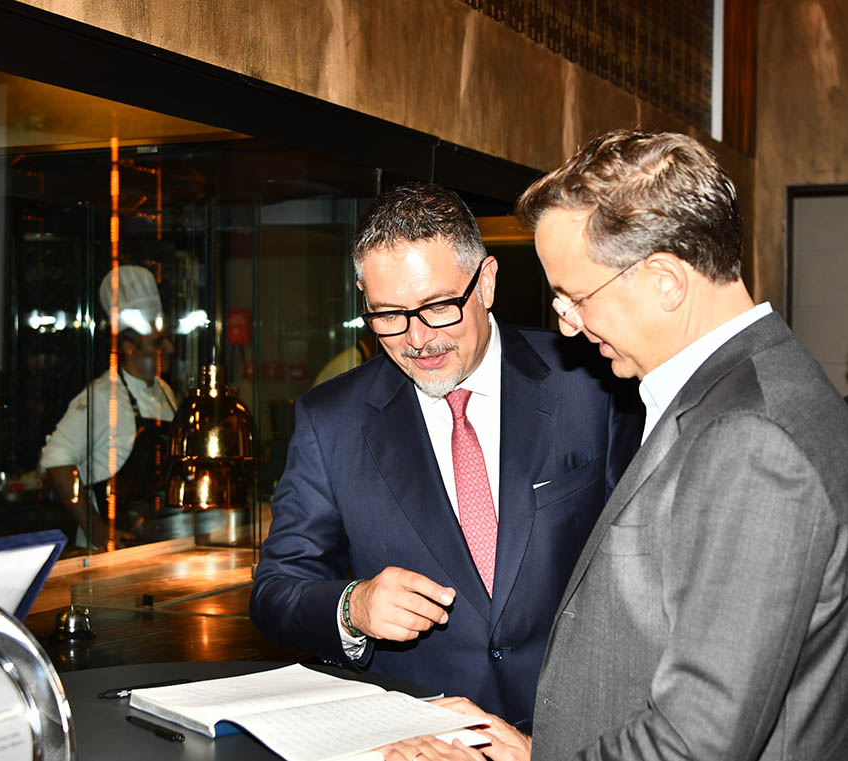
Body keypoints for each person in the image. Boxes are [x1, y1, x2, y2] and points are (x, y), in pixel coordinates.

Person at [381, 131, 848, 761]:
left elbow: (698, 741)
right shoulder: (758, 387)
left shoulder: (750, 439)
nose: (567, 324)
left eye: (578, 297)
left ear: (665, 280)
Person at [250, 182, 643, 731]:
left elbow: (646, 570)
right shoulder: (331, 420)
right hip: (419, 736)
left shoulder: (593, 383)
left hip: (577, 729)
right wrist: (353, 607)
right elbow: (276, 590)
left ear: (486, 283)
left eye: (438, 307)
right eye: (389, 315)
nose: (417, 339)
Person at [41, 265, 177, 548]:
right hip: (113, 550)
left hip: (157, 543)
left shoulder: (165, 391)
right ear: (129, 348)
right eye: (158, 342)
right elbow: (56, 460)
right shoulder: (103, 396)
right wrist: (95, 528)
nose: (170, 349)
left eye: (167, 338)